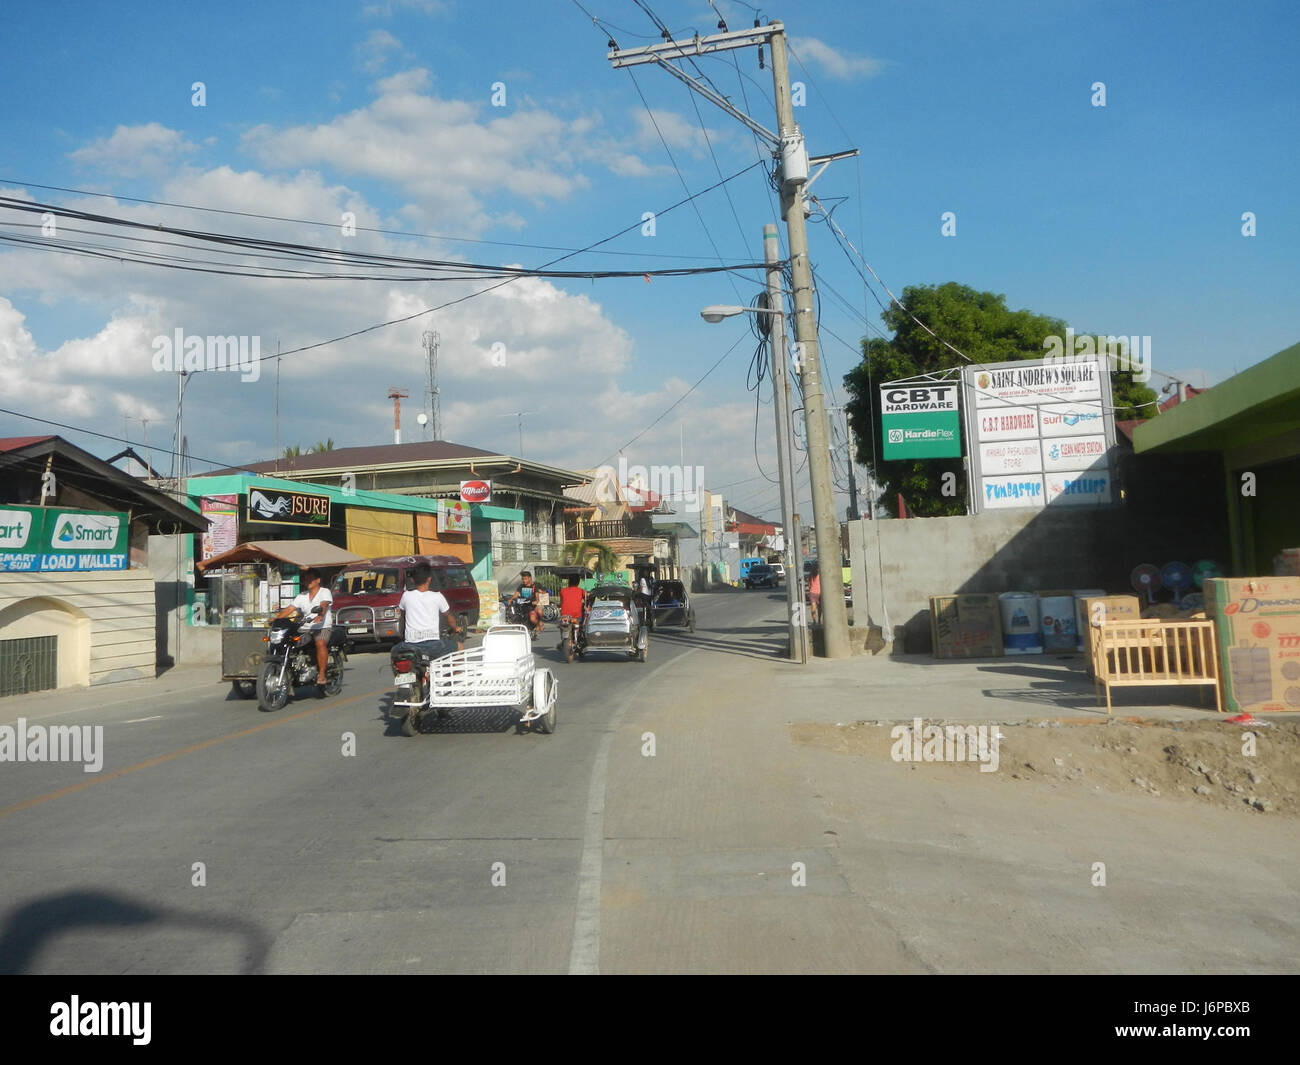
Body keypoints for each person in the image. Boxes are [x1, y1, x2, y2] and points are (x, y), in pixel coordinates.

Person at [273, 568, 333, 685]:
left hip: (322, 626)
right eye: (306, 579)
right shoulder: (302, 596)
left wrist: (320, 615)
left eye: (310, 579)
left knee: (320, 643)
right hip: (305, 627)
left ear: (318, 580)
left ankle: (321, 674)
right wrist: (276, 619)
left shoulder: (324, 592)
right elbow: (290, 609)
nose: (308, 581)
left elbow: (324, 604)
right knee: (289, 641)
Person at [396, 561, 464, 659]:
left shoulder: (406, 596)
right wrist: (455, 628)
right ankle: (457, 674)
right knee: (459, 647)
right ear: (429, 579)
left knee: (394, 653)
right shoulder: (438, 596)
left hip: (410, 645)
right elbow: (449, 617)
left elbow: (401, 613)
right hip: (433, 645)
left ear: (413, 580)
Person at [508, 571, 543, 637]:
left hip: (532, 607)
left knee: (533, 618)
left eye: (525, 579)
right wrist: (511, 599)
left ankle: (538, 625)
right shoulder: (521, 586)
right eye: (522, 579)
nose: (524, 580)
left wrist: (534, 602)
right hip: (522, 606)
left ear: (530, 578)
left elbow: (537, 599)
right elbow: (516, 595)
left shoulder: (534, 587)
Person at [557, 574, 586, 649]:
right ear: (578, 582)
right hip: (577, 615)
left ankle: (563, 640)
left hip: (565, 615)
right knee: (583, 624)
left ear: (569, 582)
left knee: (562, 626)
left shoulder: (562, 591)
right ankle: (580, 635)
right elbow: (587, 599)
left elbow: (561, 602)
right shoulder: (581, 591)